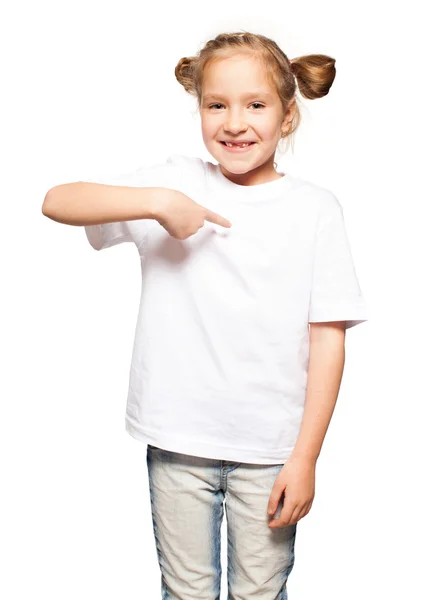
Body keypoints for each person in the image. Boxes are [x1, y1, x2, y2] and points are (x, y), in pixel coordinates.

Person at [42, 31, 369, 600]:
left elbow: (328, 340)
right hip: (177, 442)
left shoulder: (315, 210)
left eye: (256, 105)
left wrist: (306, 458)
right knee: (185, 591)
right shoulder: (175, 182)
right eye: (217, 104)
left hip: (271, 451)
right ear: (199, 109)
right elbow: (57, 200)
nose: (234, 122)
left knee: (260, 593)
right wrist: (158, 202)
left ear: (288, 116)